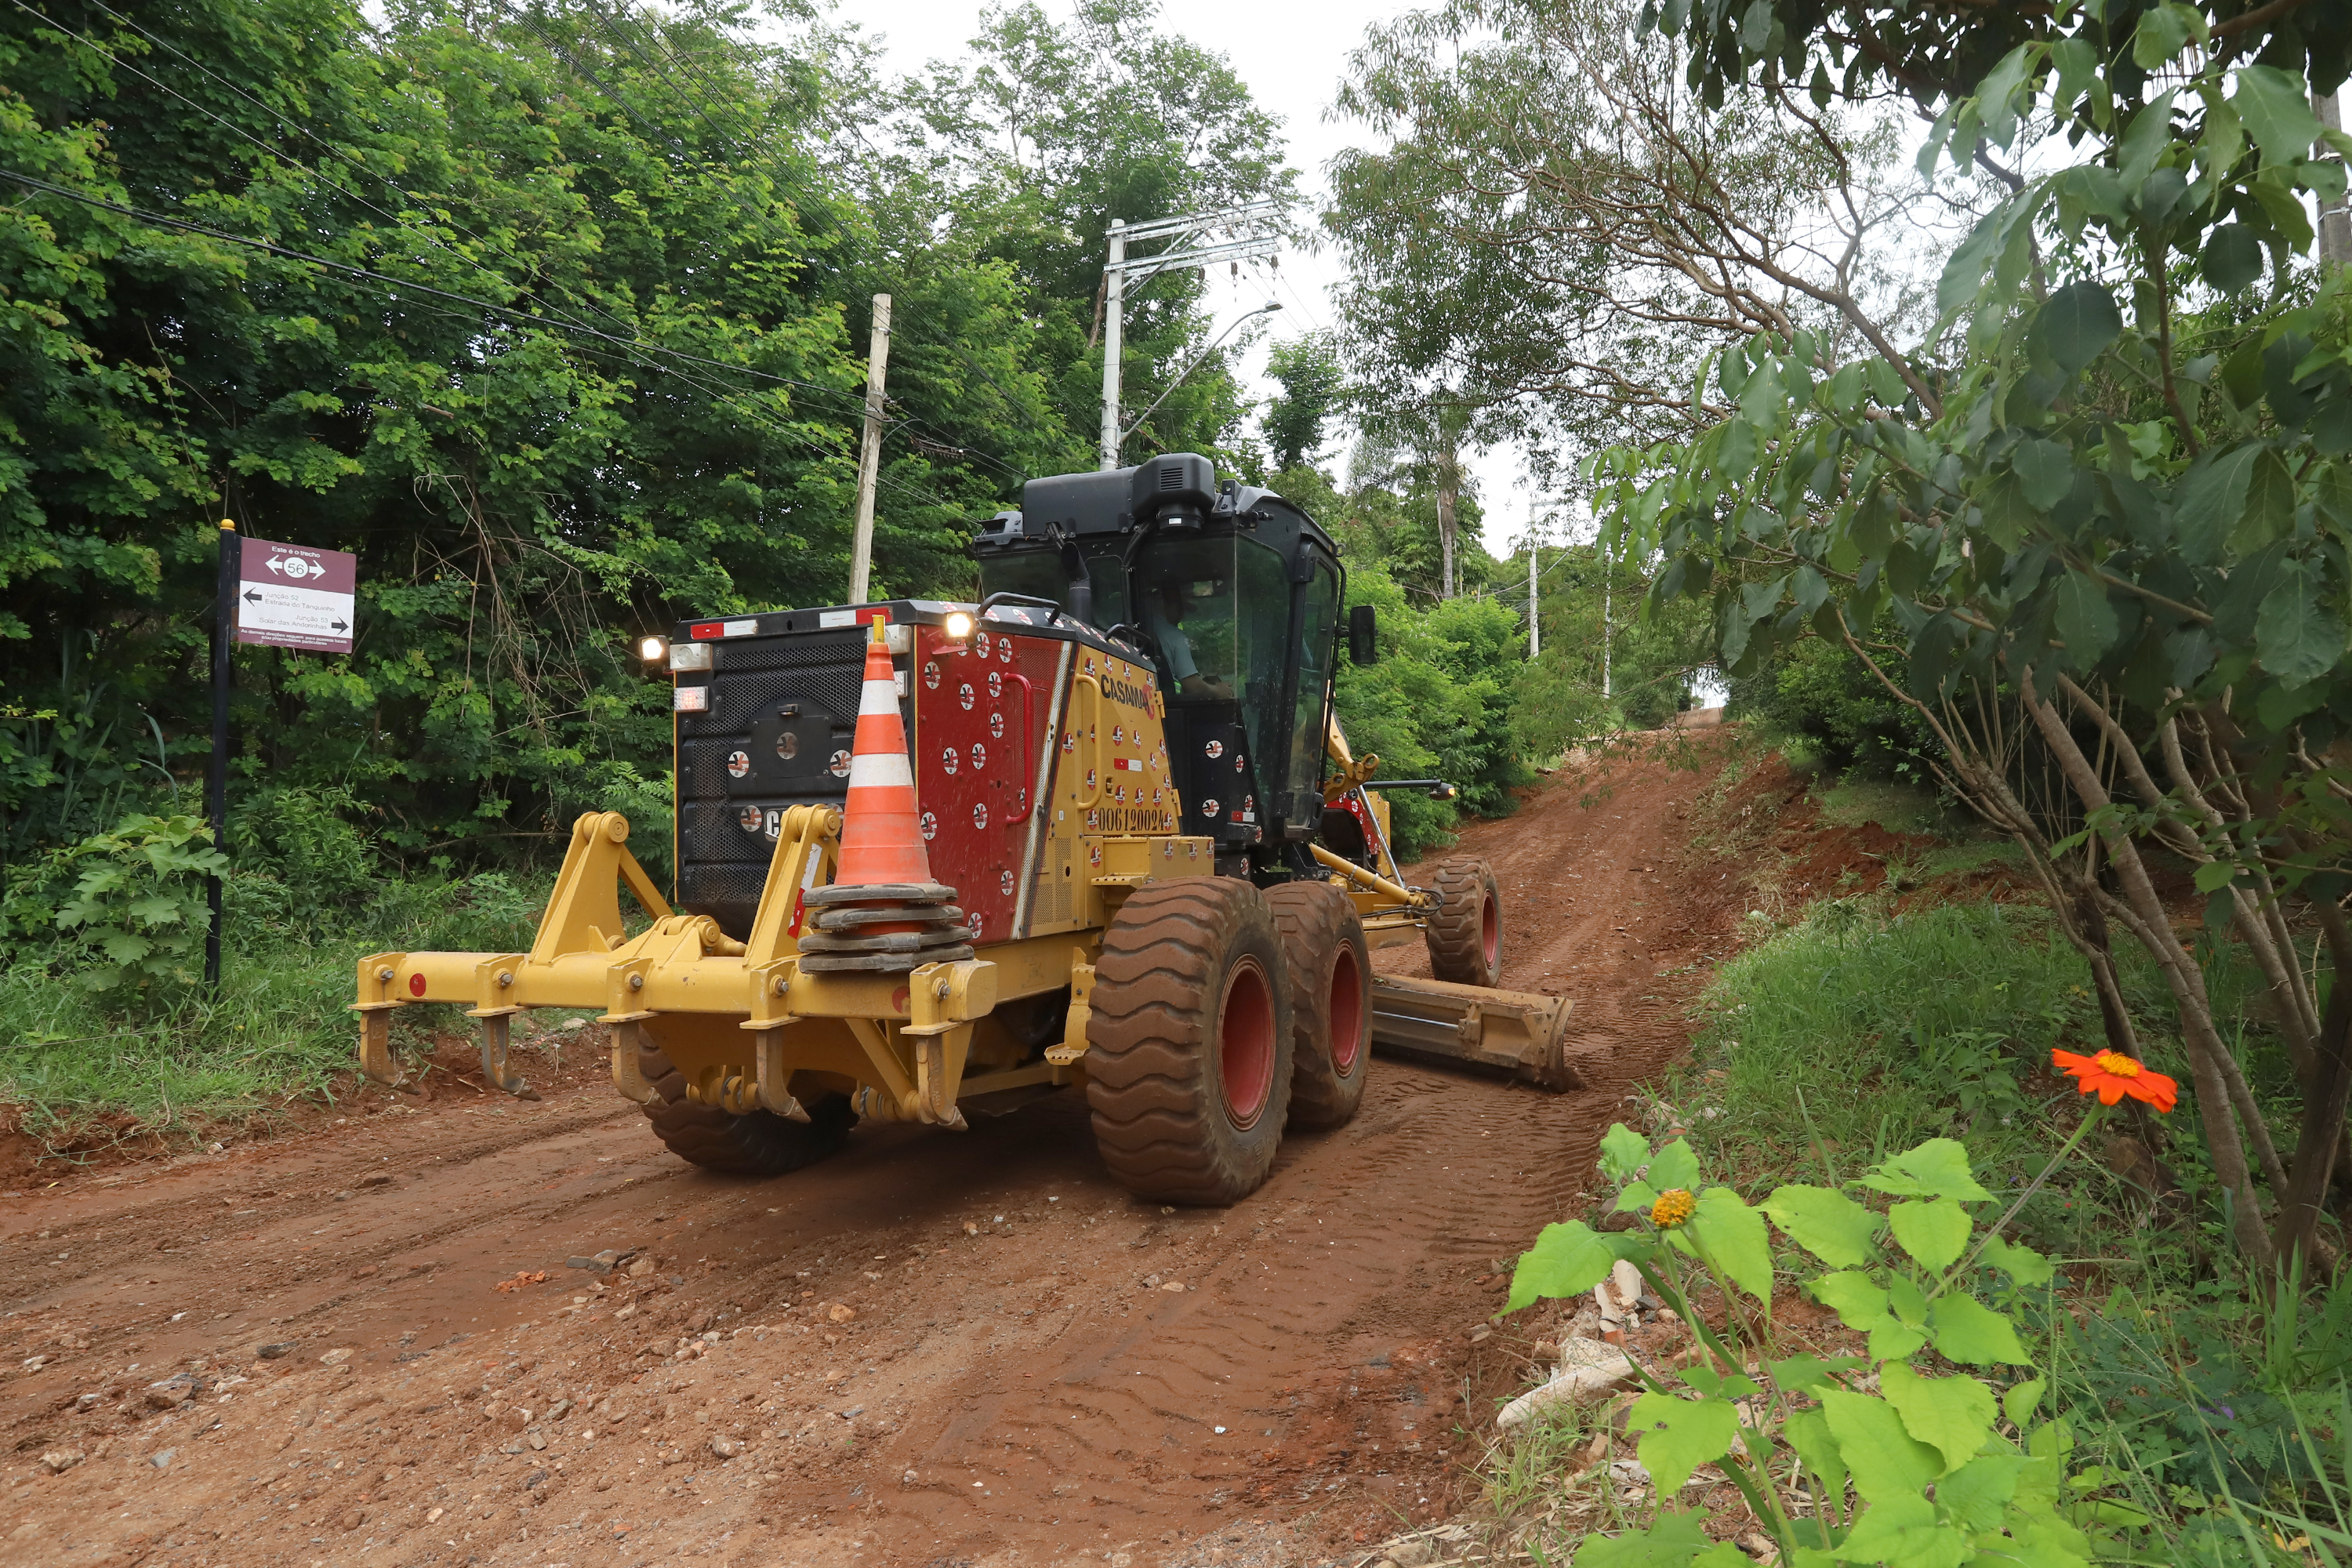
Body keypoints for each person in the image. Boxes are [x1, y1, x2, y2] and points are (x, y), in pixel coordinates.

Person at [1147, 578, 1232, 699]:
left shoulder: (1138, 627)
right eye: (1181, 608)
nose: (1181, 616)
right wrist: (1217, 691)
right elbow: (1192, 686)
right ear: (1170, 603)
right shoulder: (1174, 636)